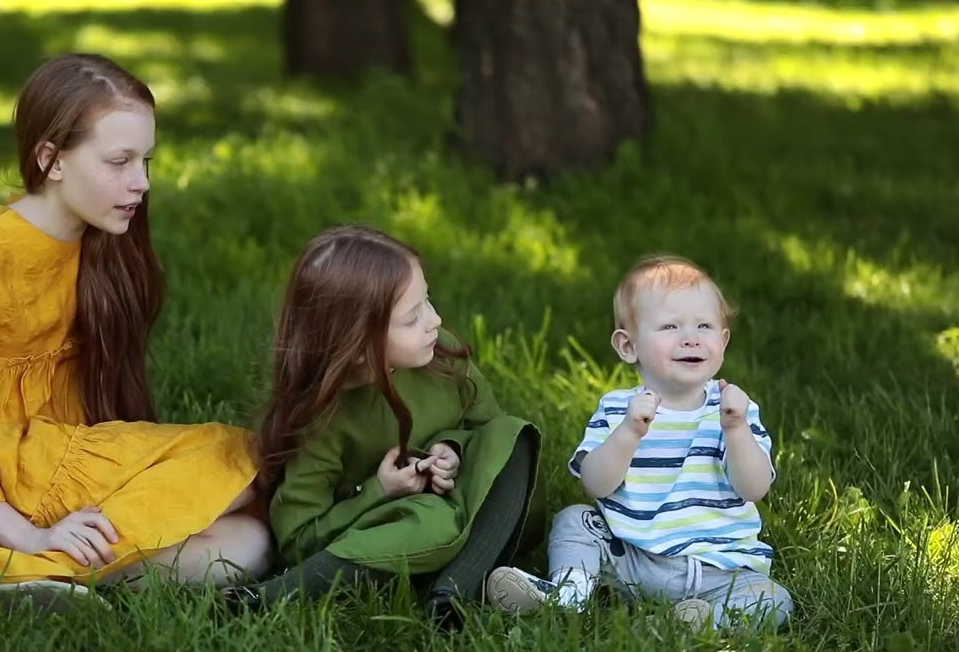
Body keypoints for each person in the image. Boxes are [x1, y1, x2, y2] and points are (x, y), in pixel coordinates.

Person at [0, 53, 270, 606]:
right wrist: (32, 533)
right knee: (240, 463)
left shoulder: (102, 243)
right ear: (51, 159)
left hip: (55, 462)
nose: (140, 182)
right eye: (118, 161)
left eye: (146, 161)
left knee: (251, 540)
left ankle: (13, 581)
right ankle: (8, 564)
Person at [225, 225, 540, 626]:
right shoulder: (322, 420)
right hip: (398, 530)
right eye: (412, 317)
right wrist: (379, 492)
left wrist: (452, 448)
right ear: (356, 343)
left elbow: (491, 432)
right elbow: (297, 539)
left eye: (427, 300)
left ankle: (454, 589)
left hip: (478, 509)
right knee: (429, 518)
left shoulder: (441, 355)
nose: (435, 320)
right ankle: (269, 597)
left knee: (516, 435)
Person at [487, 254, 792, 630]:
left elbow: (755, 488)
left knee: (774, 599)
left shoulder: (735, 410)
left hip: (719, 569)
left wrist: (736, 430)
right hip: (632, 557)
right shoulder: (618, 409)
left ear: (723, 341)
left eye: (705, 326)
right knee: (575, 520)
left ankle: (701, 622)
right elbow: (595, 484)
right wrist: (629, 432)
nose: (691, 337)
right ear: (628, 346)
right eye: (670, 326)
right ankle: (569, 594)